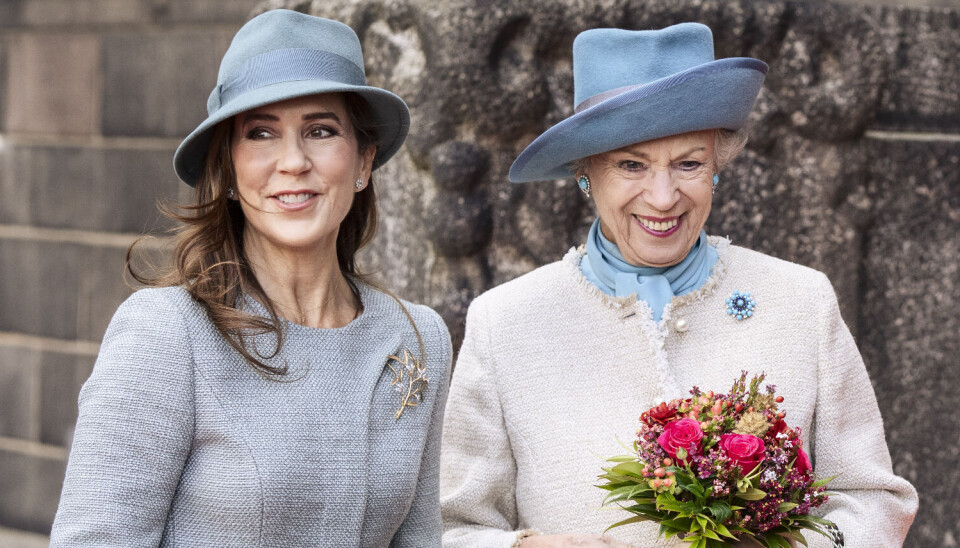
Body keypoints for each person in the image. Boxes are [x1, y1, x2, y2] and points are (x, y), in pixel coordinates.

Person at [439, 23, 917, 548]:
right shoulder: (505, 321)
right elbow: (452, 529)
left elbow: (873, 501)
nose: (663, 197)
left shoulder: (801, 301)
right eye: (631, 165)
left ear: (717, 167)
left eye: (688, 164)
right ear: (585, 173)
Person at [50, 9, 451, 547]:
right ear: (230, 170)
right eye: (261, 133)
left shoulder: (418, 339)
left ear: (362, 162)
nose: (293, 161)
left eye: (321, 131)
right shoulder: (167, 333)